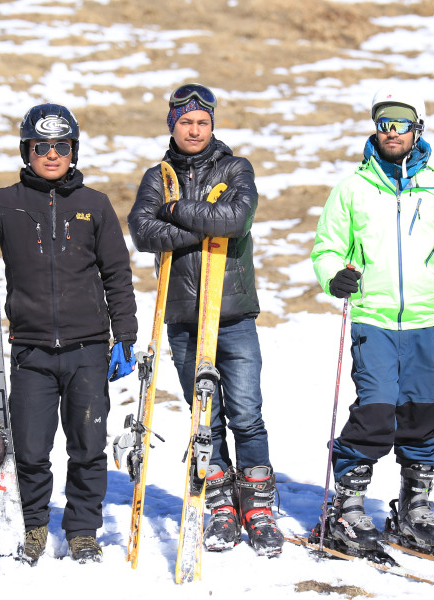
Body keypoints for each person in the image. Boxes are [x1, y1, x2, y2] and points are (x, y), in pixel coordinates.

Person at [0, 103, 139, 565]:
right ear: (28, 150)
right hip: (31, 350)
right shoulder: (6, 203)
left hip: (87, 350)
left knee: (87, 448)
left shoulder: (94, 204)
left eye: (62, 146)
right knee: (31, 450)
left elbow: (117, 273)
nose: (53, 154)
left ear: (73, 150)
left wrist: (125, 334)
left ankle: (82, 531)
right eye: (43, 147)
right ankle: (34, 526)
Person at [311, 85, 434, 554]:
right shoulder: (352, 188)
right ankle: (346, 509)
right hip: (375, 319)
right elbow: (326, 249)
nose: (391, 131)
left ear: (417, 129)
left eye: (401, 123)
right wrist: (334, 277)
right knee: (376, 412)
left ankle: (414, 508)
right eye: (383, 122)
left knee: (423, 414)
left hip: (427, 323)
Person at [127, 83, 283, 557]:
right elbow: (141, 229)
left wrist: (174, 212)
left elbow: (235, 217)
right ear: (171, 124)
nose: (194, 130)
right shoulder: (158, 176)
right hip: (182, 315)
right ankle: (218, 504)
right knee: (204, 418)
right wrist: (200, 220)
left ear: (212, 125)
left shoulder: (236, 168)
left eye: (202, 122)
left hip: (233, 313)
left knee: (247, 413)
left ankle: (257, 507)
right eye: (185, 122)